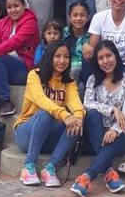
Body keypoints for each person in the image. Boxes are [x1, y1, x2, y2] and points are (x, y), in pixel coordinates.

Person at [71, 40, 125, 197]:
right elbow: (87, 104)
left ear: (116, 56)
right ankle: (109, 172)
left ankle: (87, 177)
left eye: (109, 56)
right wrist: (112, 109)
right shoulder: (93, 80)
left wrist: (114, 130)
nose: (106, 61)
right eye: (101, 58)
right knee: (92, 113)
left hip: (117, 136)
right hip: (95, 132)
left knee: (121, 132)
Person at [13, 41, 85, 186]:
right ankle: (28, 166)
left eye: (66, 57)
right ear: (49, 57)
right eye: (57, 56)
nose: (62, 61)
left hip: (49, 137)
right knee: (45, 114)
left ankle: (50, 167)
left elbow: (76, 104)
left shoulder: (69, 82)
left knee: (78, 121)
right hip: (27, 133)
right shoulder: (35, 75)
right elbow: (41, 100)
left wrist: (77, 116)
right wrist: (65, 115)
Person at [0, 0, 39, 116]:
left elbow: (13, 43)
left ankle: (5, 101)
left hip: (24, 70)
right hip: (3, 65)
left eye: (16, 6)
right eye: (9, 7)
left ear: (24, 5)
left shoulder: (30, 22)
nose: (13, 10)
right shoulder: (3, 22)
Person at [63, 4, 90, 81]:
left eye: (82, 15)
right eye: (75, 15)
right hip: (66, 71)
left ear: (88, 18)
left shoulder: (92, 35)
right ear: (69, 18)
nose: (78, 18)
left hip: (86, 72)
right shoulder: (63, 34)